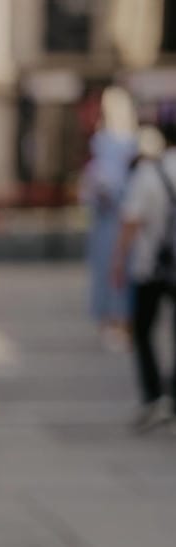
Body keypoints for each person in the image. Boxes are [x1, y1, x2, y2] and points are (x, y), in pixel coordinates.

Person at [112, 121, 176, 432]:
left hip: (149, 266)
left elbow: (131, 221)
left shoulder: (149, 173)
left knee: (143, 332)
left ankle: (153, 396)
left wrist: (118, 261)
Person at [81, 86, 138, 350]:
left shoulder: (129, 144)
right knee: (107, 271)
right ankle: (108, 320)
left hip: (122, 219)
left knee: (122, 271)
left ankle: (122, 321)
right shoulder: (102, 143)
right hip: (106, 221)